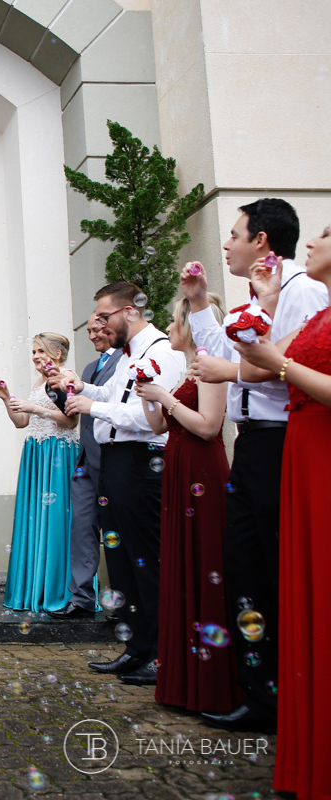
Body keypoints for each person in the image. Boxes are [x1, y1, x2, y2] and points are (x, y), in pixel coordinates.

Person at [182, 199, 328, 733]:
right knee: (246, 568)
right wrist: (199, 304)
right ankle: (263, 693)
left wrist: (234, 372)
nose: (226, 244)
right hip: (254, 444)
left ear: (261, 239)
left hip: (284, 442)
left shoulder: (305, 290)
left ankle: (286, 699)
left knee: (271, 570)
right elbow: (223, 354)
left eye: (235, 234)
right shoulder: (264, 291)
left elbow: (286, 363)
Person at [235, 221, 331, 800]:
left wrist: (280, 361)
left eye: (328, 232)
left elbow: (277, 369)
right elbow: (260, 363)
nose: (315, 239)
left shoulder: (314, 300)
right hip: (301, 446)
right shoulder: (314, 310)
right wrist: (265, 308)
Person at [51, 281, 186, 686]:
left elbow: (151, 419)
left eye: (105, 316)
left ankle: (161, 654)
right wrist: (77, 387)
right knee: (123, 561)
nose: (101, 325)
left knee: (147, 561)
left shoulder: (161, 352)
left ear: (130, 311)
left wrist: (94, 406)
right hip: (115, 464)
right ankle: (136, 647)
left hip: (143, 464)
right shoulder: (128, 355)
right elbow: (111, 394)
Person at [135, 294, 239, 713]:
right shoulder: (189, 370)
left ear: (188, 326)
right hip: (179, 473)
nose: (168, 329)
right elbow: (161, 423)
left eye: (172, 323)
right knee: (181, 565)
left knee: (204, 564)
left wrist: (167, 396)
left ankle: (211, 683)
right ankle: (183, 678)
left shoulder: (211, 367)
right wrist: (149, 394)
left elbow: (209, 426)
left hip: (202, 471)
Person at [0, 333, 79, 612]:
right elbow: (21, 422)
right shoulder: (39, 382)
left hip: (57, 453)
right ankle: (32, 589)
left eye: (41, 351)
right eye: (33, 352)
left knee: (53, 521)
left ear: (58, 354)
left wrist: (35, 408)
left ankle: (54, 591)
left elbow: (70, 421)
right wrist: (8, 399)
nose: (36, 356)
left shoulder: (68, 377)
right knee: (33, 519)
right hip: (36, 453)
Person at [49, 315, 121, 619]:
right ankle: (81, 599)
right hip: (86, 463)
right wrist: (58, 390)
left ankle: (123, 604)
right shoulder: (90, 368)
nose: (92, 335)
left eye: (98, 329)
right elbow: (72, 409)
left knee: (119, 534)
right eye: (89, 330)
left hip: (114, 458)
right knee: (82, 531)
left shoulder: (127, 361)